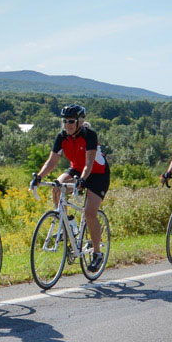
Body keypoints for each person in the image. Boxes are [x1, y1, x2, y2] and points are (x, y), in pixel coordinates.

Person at [31, 104, 111, 272]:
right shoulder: (61, 137)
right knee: (57, 186)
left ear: (80, 122)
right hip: (76, 169)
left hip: (97, 173)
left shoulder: (90, 136)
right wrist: (39, 177)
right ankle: (69, 225)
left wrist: (82, 181)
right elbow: (52, 162)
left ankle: (97, 254)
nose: (67, 125)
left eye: (71, 121)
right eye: (65, 121)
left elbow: (89, 164)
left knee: (90, 212)